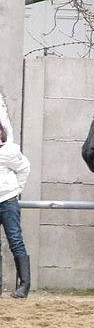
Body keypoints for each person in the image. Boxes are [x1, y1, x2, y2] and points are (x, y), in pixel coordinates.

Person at [0, 120, 31, 298]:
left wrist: (17, 190)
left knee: (15, 240)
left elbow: (24, 168)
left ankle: (24, 285)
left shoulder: (10, 151)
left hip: (7, 201)